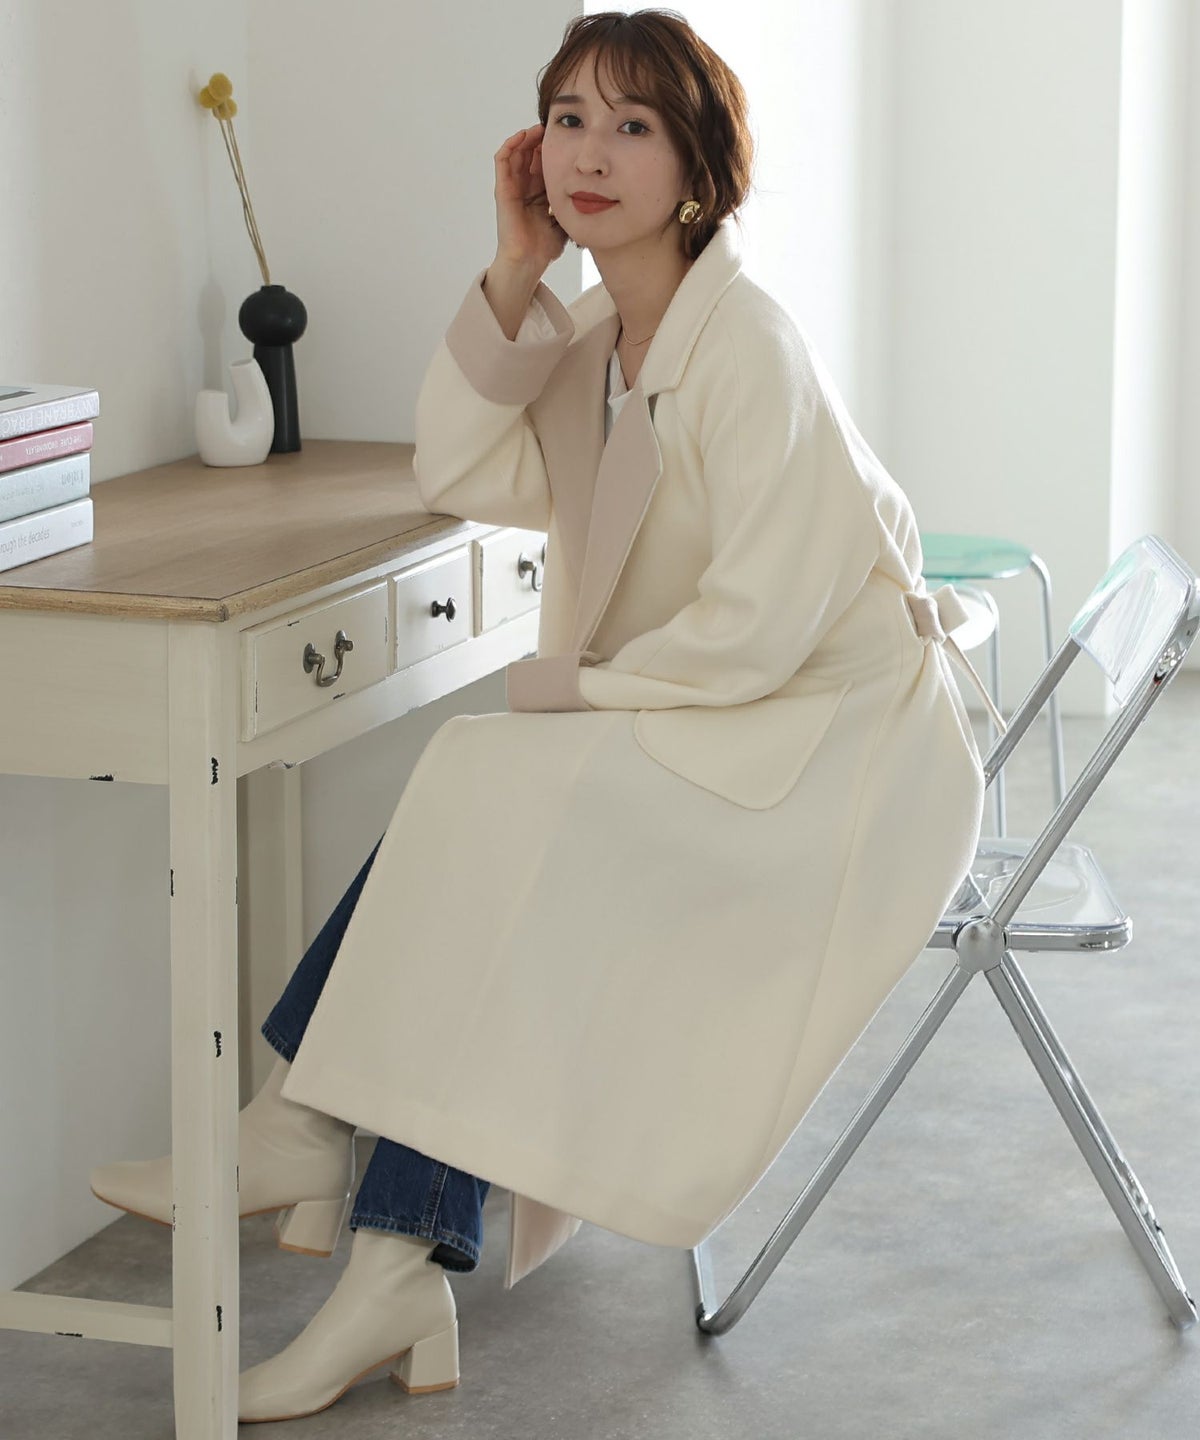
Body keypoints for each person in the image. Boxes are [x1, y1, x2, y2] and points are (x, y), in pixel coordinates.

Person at [90, 8, 986, 1425]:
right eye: (569, 119)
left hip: (840, 745)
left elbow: (762, 626)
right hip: (725, 703)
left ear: (699, 168)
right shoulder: (602, 339)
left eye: (634, 125)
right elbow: (457, 466)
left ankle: (318, 1138)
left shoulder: (746, 346)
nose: (591, 154)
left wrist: (574, 694)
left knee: (498, 786)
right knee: (490, 798)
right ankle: (376, 1240)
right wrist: (514, 270)